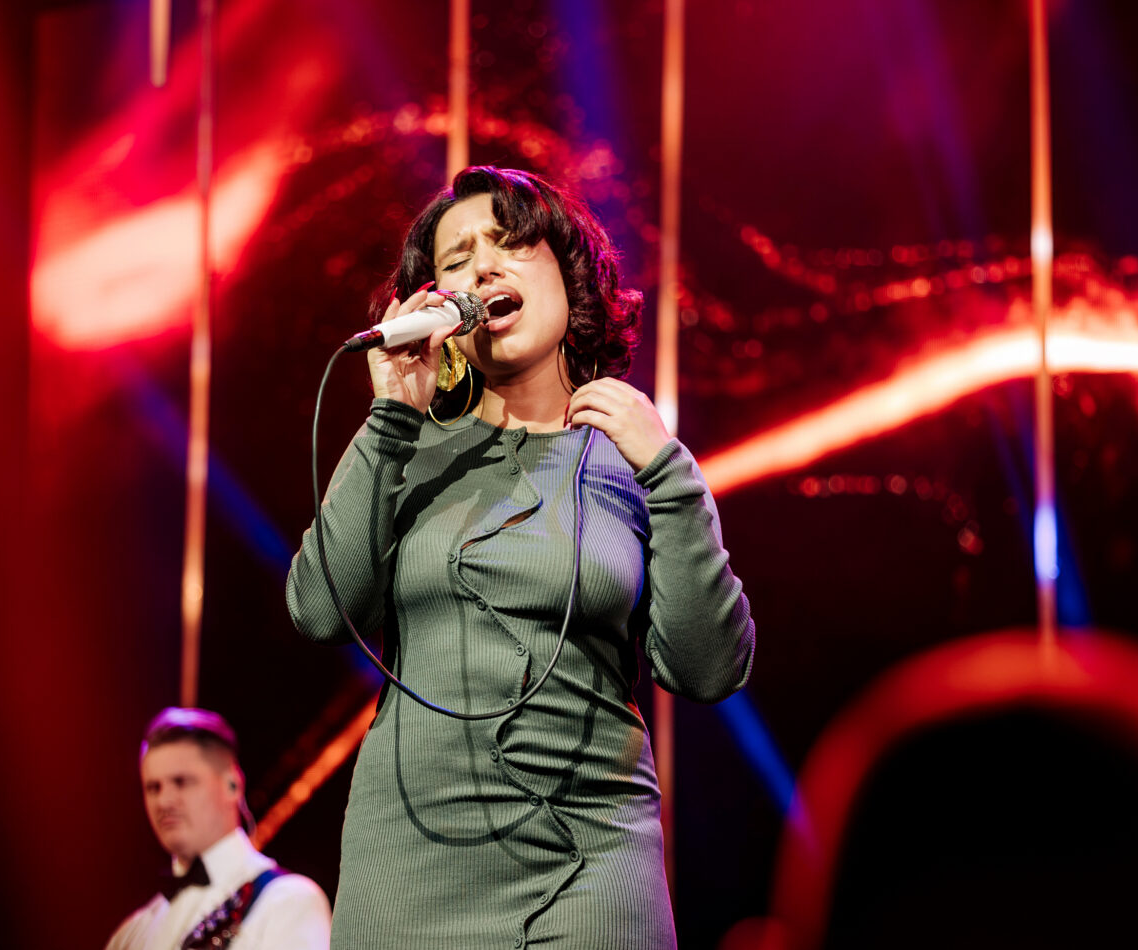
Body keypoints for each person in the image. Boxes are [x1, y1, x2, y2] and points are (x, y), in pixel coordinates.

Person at [285, 166, 756, 949]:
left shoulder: (632, 460)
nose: (483, 267)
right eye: (457, 259)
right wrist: (391, 419)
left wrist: (671, 477)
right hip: (413, 863)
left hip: (591, 867)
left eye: (509, 243)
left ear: (570, 278)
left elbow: (708, 670)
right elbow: (318, 610)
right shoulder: (409, 450)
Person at [106, 707, 331, 950]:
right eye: (153, 788)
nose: (164, 801)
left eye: (181, 782)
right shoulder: (130, 934)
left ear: (232, 785)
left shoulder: (289, 903)